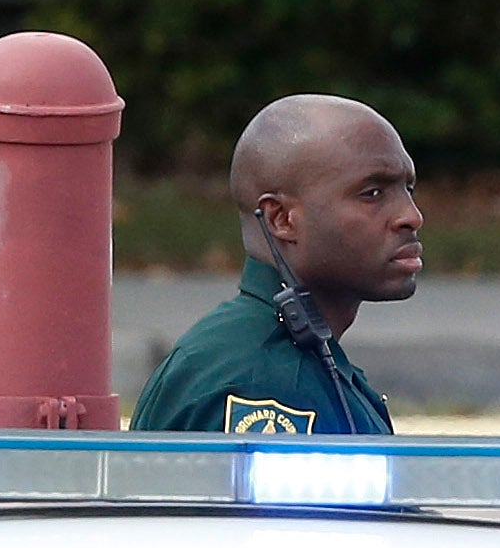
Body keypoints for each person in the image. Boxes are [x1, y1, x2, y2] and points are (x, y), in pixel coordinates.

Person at [131, 95, 417, 436]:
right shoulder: (264, 385)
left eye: (408, 188)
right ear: (281, 219)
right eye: (372, 193)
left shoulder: (286, 357)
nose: (411, 216)